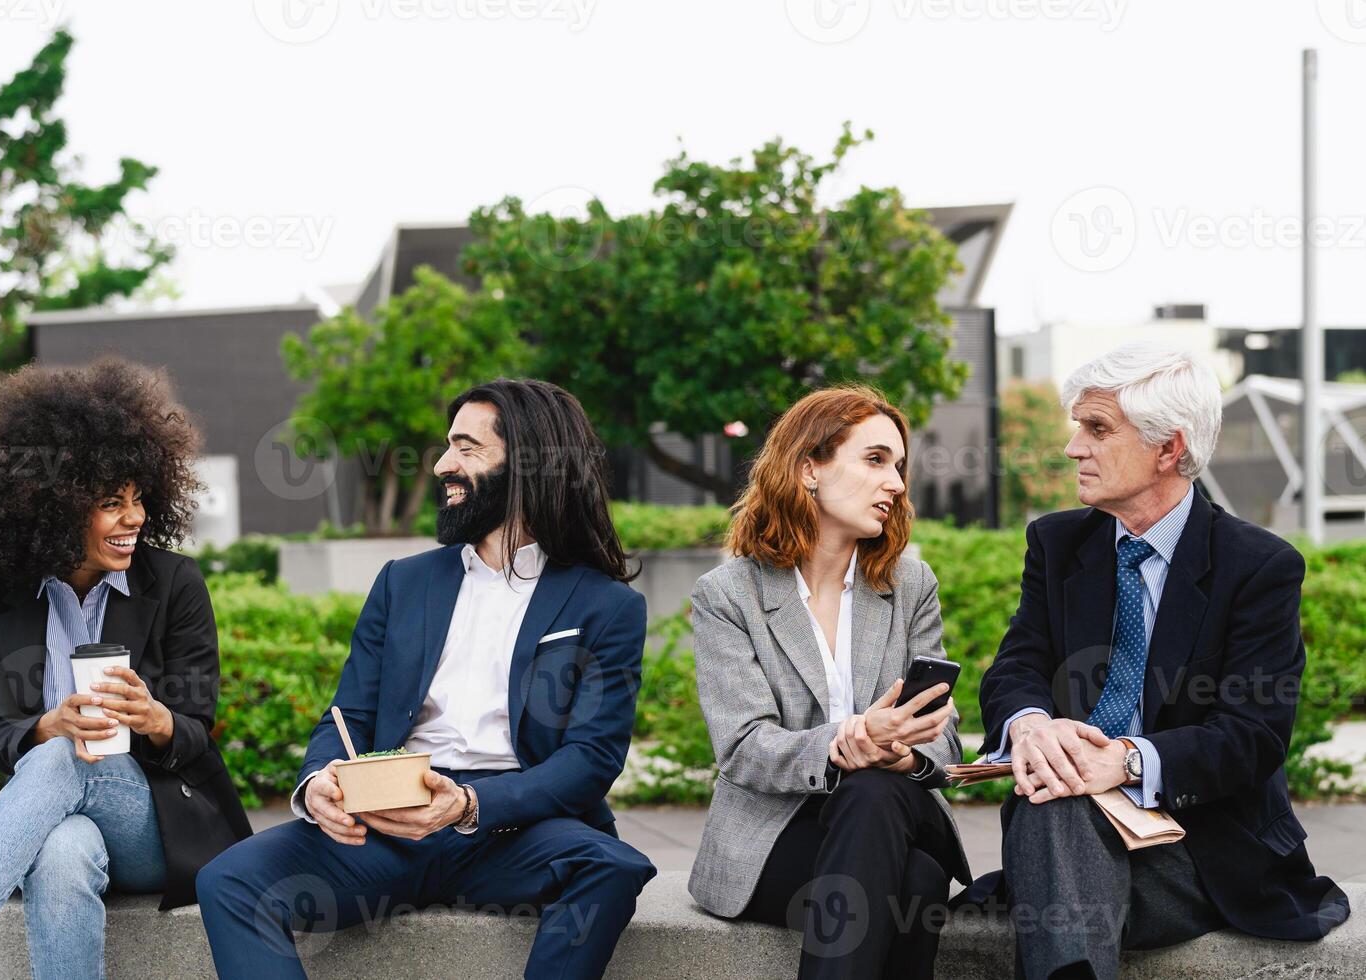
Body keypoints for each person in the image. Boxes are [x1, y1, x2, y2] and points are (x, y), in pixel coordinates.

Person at [197, 378, 656, 979]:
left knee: (611, 868)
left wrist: (469, 804)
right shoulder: (403, 582)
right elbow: (349, 715)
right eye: (447, 446)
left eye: (467, 448)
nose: (443, 465)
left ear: (529, 465)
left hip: (516, 830)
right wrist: (316, 785)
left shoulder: (605, 605)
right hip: (386, 827)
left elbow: (592, 758)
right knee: (229, 879)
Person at [970, 342, 1351, 980]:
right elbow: (1017, 666)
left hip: (1200, 852)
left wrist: (1120, 761)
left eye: (1097, 429)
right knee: (1059, 805)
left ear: (1168, 449)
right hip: (1072, 836)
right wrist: (1035, 726)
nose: (1073, 448)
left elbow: (1252, 736)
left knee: (1056, 823)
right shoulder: (1058, 543)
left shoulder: (1257, 566)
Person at [0, 358, 251, 980]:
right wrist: (46, 726)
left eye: (139, 499)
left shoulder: (174, 584)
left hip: (157, 823)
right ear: (53, 511)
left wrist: (157, 717)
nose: (134, 519)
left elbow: (199, 732)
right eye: (111, 503)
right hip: (62, 816)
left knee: (65, 759)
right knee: (60, 851)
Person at [687, 384, 971, 980]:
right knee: (917, 883)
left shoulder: (909, 586)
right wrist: (849, 741)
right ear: (808, 468)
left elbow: (945, 739)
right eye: (875, 460)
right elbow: (742, 747)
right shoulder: (728, 596)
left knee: (873, 791)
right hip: (777, 835)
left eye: (899, 466)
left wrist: (899, 755)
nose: (895, 483)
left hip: (896, 805)